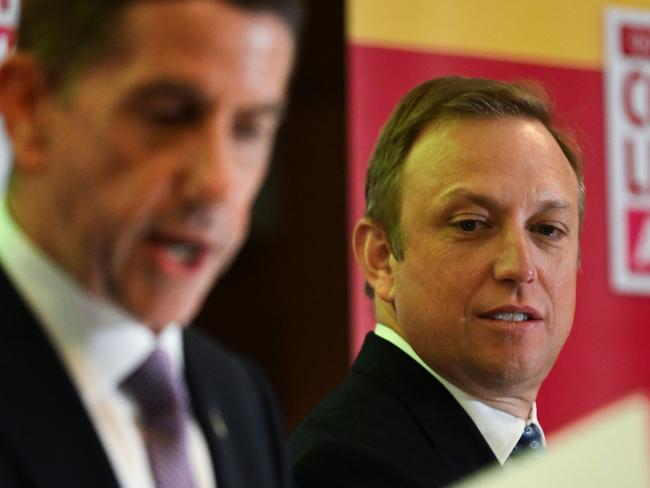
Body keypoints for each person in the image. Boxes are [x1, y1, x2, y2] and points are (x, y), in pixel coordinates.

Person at [0, 0, 300, 486]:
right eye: (169, 115)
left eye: (249, 130)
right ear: (29, 107)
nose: (218, 183)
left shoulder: (241, 397)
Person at [289, 76, 584, 487]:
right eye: (471, 224)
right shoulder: (346, 466)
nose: (520, 266)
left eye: (548, 230)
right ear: (381, 259)